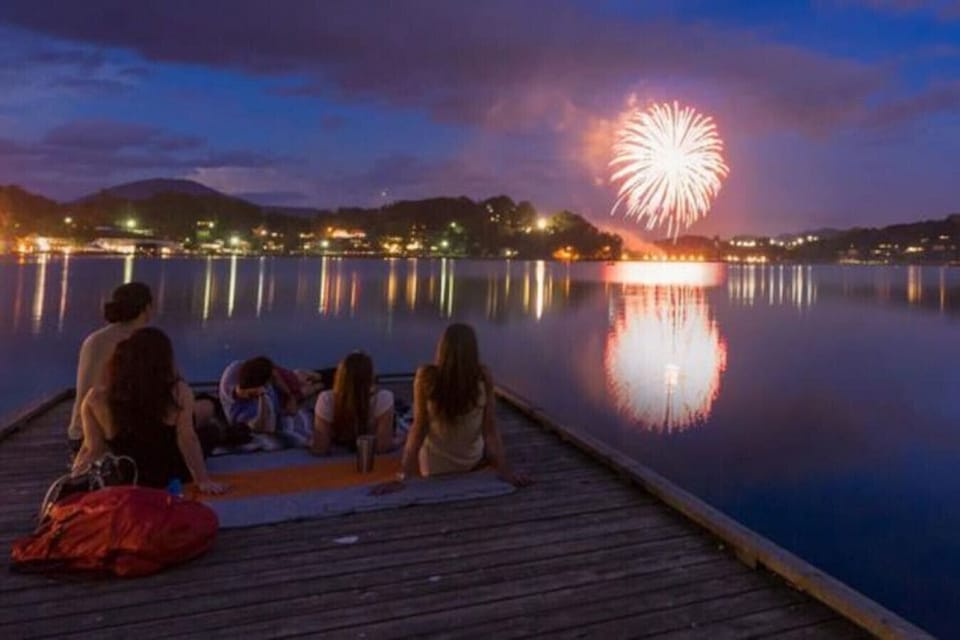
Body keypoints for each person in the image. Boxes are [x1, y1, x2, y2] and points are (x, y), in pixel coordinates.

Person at [375, 323, 530, 495]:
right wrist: (504, 469)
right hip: (470, 462)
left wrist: (403, 475)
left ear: (442, 349)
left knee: (411, 428)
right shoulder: (483, 376)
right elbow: (490, 429)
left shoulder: (426, 377)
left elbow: (419, 428)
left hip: (433, 467)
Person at [72, 327, 225, 494]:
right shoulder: (178, 391)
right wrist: (203, 480)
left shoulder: (95, 398)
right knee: (211, 432)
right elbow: (188, 439)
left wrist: (74, 479)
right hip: (170, 473)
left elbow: (93, 448)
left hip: (129, 476)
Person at [68, 282, 152, 451]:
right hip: (109, 435)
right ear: (146, 308)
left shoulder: (94, 339)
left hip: (79, 431)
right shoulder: (140, 341)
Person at [218, 356, 315, 447]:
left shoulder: (236, 369)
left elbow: (273, 372)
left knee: (301, 378)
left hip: (283, 390)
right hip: (279, 404)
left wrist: (290, 396)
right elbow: (261, 428)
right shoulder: (245, 413)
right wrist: (262, 397)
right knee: (307, 390)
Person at [312, 352, 394, 455]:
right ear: (370, 376)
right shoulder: (383, 398)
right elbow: (382, 446)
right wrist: (399, 440)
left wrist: (309, 442)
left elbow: (320, 447)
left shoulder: (326, 399)